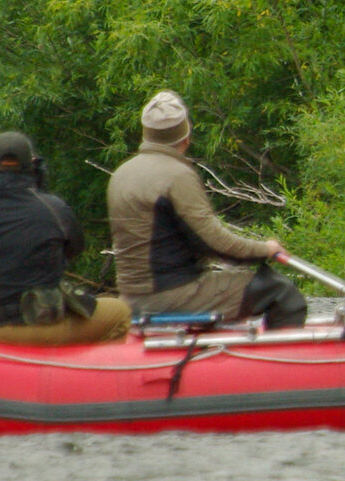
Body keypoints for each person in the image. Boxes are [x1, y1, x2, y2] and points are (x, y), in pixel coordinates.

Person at [107, 90, 307, 328]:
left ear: (145, 135)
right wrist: (265, 250)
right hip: (170, 295)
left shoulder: (121, 174)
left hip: (131, 297)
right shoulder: (177, 175)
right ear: (186, 137)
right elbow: (216, 243)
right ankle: (278, 362)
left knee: (222, 281)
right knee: (280, 291)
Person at [0, 131, 131, 345]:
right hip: (42, 328)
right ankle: (80, 374)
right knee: (120, 312)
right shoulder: (54, 208)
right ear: (32, 164)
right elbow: (74, 249)